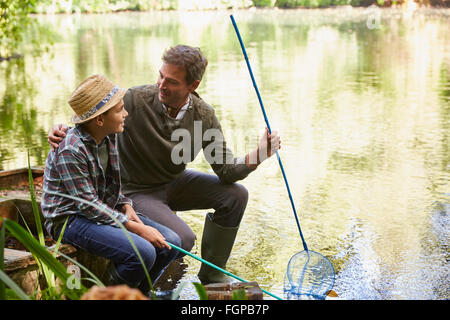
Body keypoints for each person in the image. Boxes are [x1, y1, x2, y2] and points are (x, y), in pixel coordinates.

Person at [48, 45, 281, 285]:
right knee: (182, 238)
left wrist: (259, 154)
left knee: (236, 196)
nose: (161, 85)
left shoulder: (203, 117)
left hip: (174, 183)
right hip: (135, 190)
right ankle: (130, 285)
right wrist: (60, 129)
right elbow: (92, 117)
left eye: (171, 81)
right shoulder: (135, 100)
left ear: (193, 85)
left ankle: (211, 276)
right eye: (160, 76)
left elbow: (227, 171)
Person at [42, 74, 181, 297]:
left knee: (171, 242)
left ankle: (139, 293)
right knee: (143, 252)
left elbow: (113, 184)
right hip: (70, 219)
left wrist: (127, 206)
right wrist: (137, 228)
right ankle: (107, 294)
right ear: (99, 120)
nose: (125, 114)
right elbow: (87, 205)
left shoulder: (108, 136)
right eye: (119, 110)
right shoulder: (71, 150)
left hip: (100, 209)